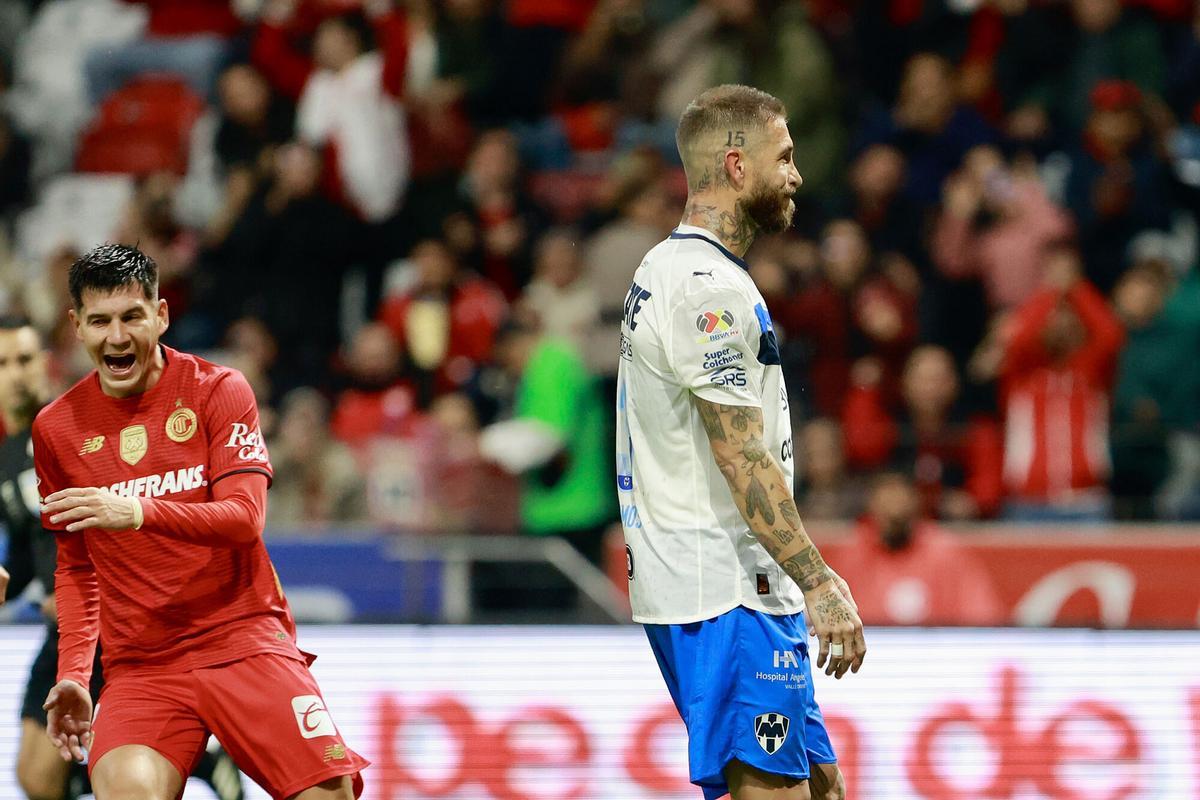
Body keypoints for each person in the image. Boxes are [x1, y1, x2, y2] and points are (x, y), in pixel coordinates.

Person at [31, 244, 368, 800]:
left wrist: (134, 510)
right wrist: (73, 672)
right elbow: (77, 566)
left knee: (328, 794)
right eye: (100, 321)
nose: (117, 337)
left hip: (241, 639)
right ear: (76, 327)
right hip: (142, 665)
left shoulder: (219, 390)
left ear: (160, 315)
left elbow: (245, 519)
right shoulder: (56, 428)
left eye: (132, 317)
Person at [616, 84, 865, 800]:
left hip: (723, 584)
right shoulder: (706, 288)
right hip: (727, 589)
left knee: (822, 787)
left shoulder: (668, 267)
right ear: (735, 166)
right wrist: (819, 581)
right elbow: (740, 453)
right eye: (782, 157)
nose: (796, 175)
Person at [0, 317, 246, 800]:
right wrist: (23, 589)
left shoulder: (76, 426)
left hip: (115, 620)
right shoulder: (8, 456)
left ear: (45, 362)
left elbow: (130, 506)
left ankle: (196, 759)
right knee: (35, 776)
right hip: (65, 626)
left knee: (105, 758)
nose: (15, 374)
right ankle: (204, 762)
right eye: (2, 364)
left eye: (25, 360)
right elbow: (33, 550)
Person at [830, 472, 1005, 627]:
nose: (894, 513)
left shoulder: (947, 553)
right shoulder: (852, 556)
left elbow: (984, 620)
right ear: (871, 508)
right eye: (887, 507)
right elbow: (829, 620)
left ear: (916, 504)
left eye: (900, 506)